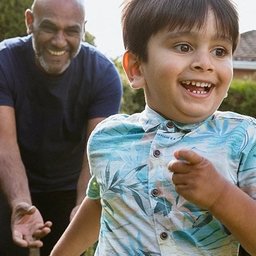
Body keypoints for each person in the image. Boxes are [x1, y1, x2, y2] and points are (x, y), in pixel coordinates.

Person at [50, 0, 256, 255]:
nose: (205, 63)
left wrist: (220, 196)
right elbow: (103, 201)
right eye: (184, 46)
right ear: (136, 68)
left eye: (220, 51)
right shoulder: (109, 137)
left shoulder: (242, 138)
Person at [0, 0, 122, 255]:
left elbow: (96, 151)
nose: (59, 41)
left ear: (83, 29)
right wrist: (21, 203)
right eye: (49, 28)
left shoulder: (102, 74)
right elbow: (4, 145)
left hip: (68, 185)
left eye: (71, 31)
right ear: (30, 22)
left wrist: (83, 205)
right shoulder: (4, 62)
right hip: (9, 177)